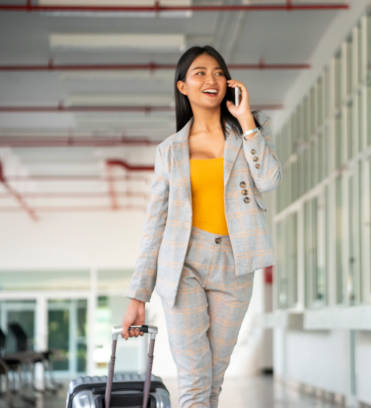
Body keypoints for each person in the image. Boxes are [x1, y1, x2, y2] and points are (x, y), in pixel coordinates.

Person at [120, 45, 282, 408]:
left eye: (219, 72)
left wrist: (246, 123)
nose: (212, 79)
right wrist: (137, 295)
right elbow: (155, 225)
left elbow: (269, 180)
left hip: (235, 265)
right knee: (194, 382)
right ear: (183, 87)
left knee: (212, 381)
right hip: (183, 265)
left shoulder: (250, 131)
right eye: (200, 73)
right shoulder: (169, 151)